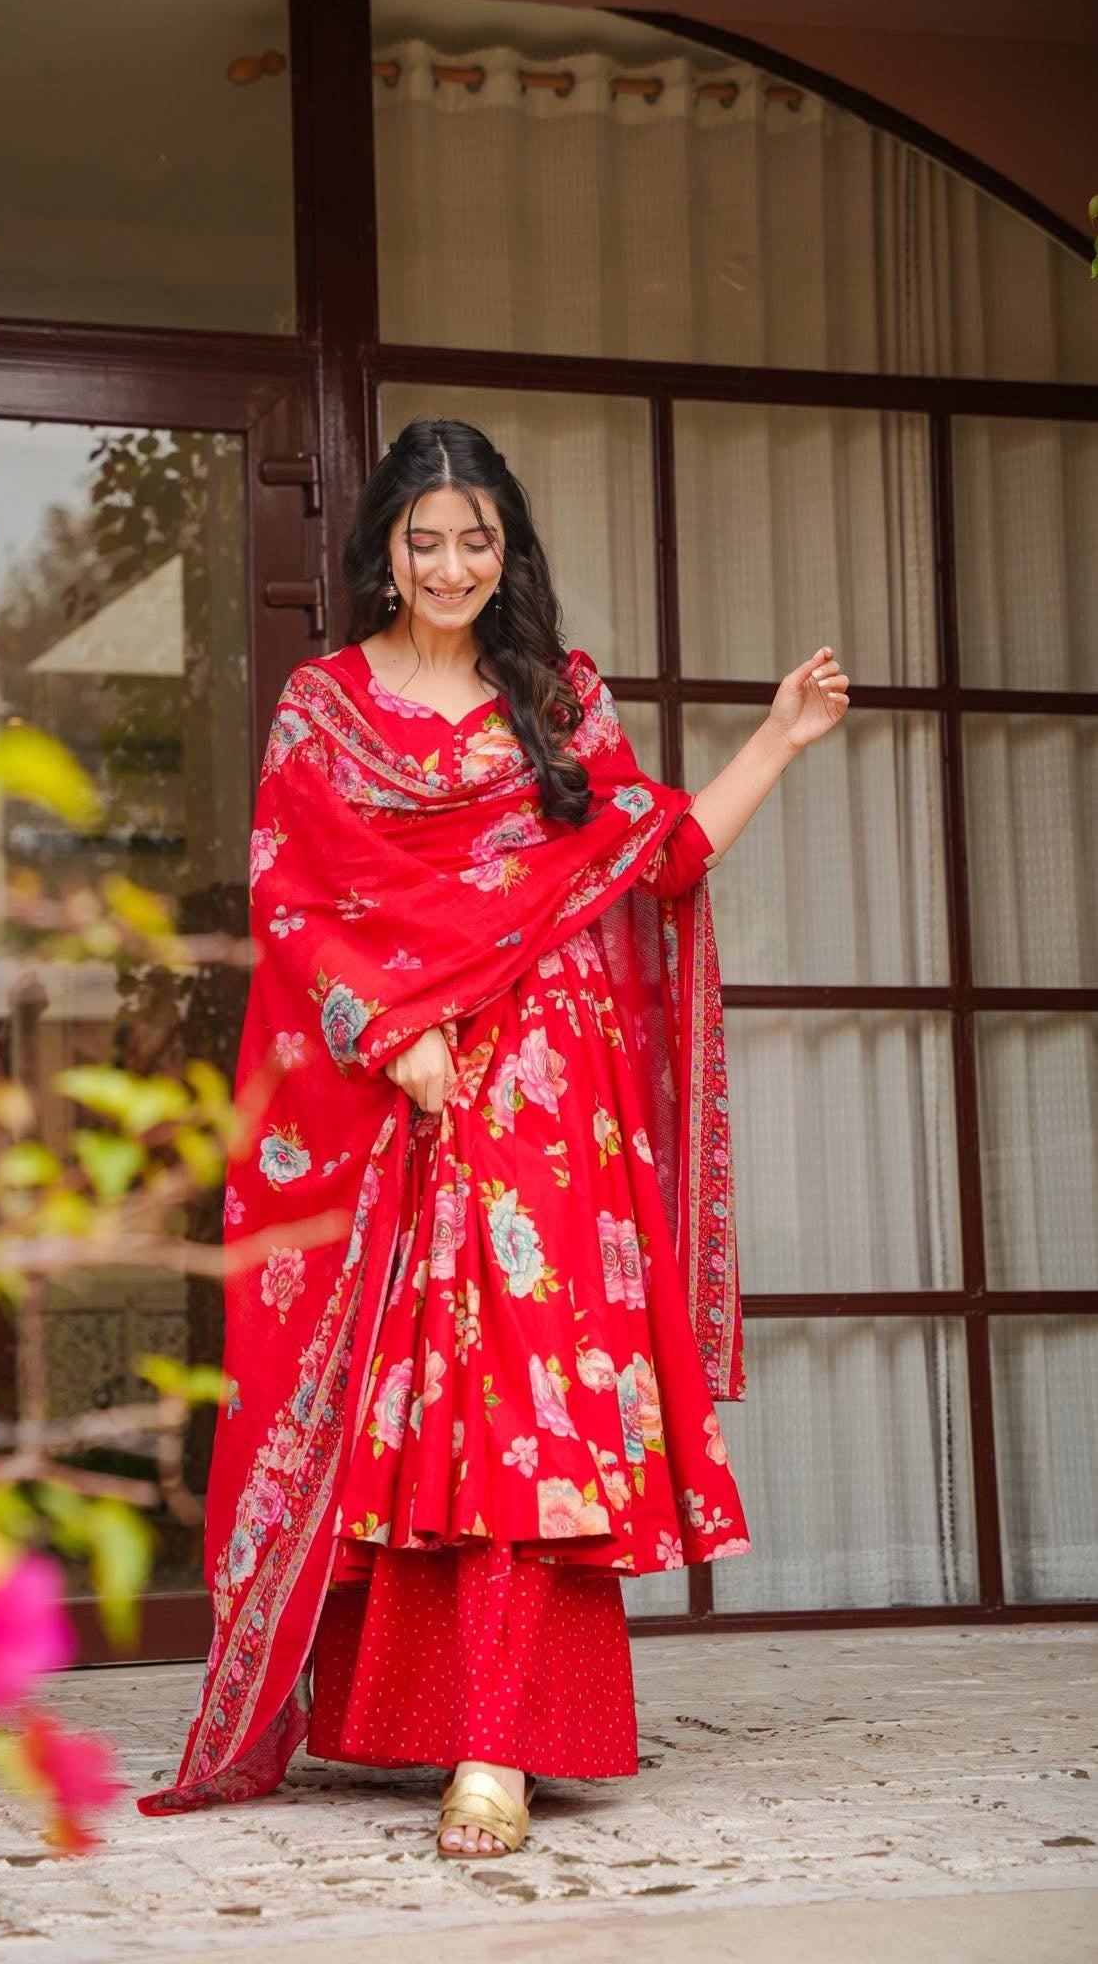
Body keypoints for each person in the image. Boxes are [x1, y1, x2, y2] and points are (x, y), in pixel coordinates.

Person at [138, 418, 850, 1857]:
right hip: (401, 1092)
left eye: (477, 539)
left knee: (521, 1408)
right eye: (425, 540)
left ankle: (499, 1746)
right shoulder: (323, 710)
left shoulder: (557, 703)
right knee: (408, 1416)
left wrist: (777, 737)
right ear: (383, 553)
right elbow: (291, 904)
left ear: (505, 550)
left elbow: (662, 857)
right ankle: (408, 1720)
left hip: (542, 1099)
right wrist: (386, 1033)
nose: (452, 564)